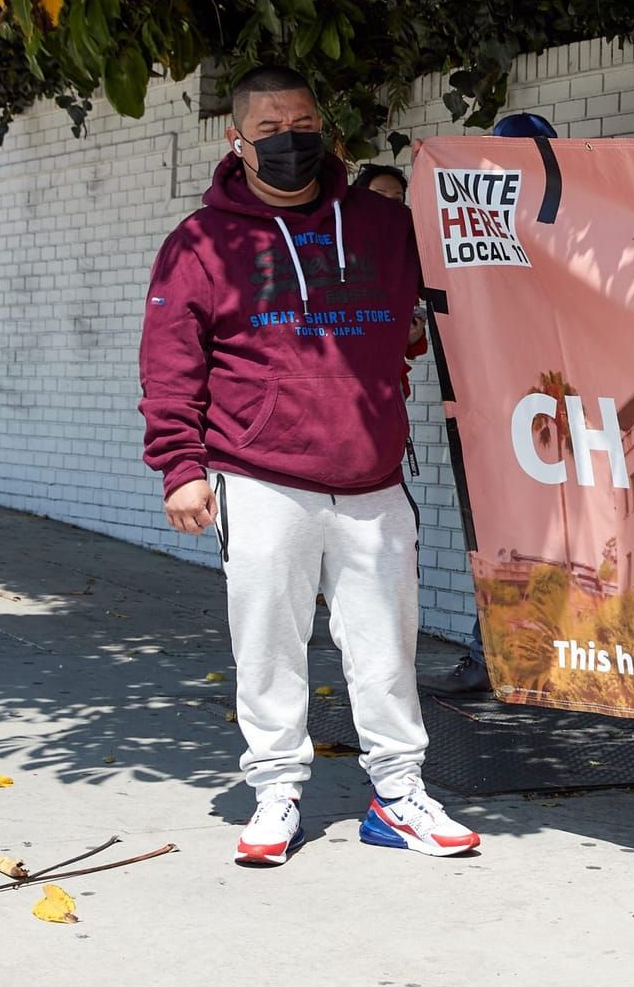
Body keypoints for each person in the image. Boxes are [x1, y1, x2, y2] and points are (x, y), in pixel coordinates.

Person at [138, 65, 481, 866]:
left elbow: (450, 287)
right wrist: (179, 466)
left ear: (325, 126)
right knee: (267, 640)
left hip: (371, 476)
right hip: (258, 476)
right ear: (237, 139)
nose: (287, 140)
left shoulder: (382, 224)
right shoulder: (200, 244)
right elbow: (170, 361)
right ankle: (274, 793)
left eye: (301, 122)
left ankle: (399, 796)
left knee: (387, 646)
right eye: (267, 128)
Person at [431, 110, 560, 697]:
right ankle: (501, 653)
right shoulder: (469, 226)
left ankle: (523, 657)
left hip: (548, 404)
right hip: (496, 403)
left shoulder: (568, 225)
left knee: (543, 533)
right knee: (500, 533)